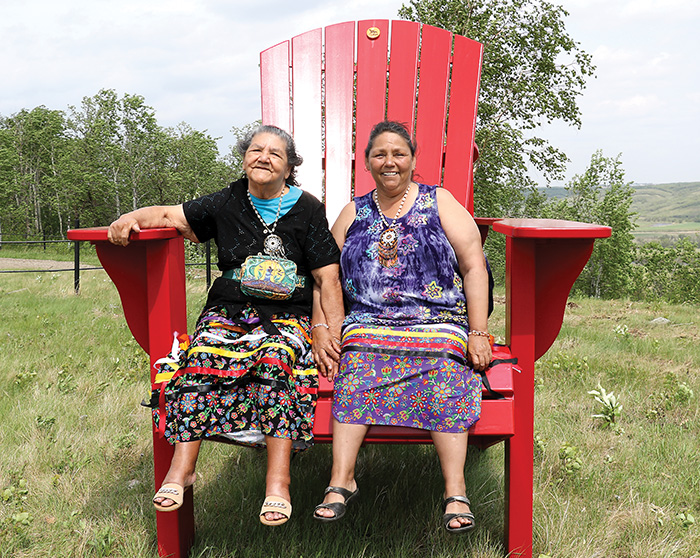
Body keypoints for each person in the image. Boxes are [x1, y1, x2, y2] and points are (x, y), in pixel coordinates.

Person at [108, 125, 343, 526]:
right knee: (201, 355)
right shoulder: (229, 201)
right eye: (256, 150)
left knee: (277, 357)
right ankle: (182, 471)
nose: (263, 157)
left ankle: (278, 481)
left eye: (275, 153)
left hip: (288, 314)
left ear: (289, 167)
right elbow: (168, 215)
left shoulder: (307, 208)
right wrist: (130, 217)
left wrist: (327, 331)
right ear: (244, 157)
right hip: (229, 310)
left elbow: (327, 277)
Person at [311, 121, 492, 533]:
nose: (389, 161)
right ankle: (342, 480)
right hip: (368, 320)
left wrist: (478, 331)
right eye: (380, 154)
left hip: (436, 319)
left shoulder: (440, 201)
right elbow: (325, 276)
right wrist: (322, 324)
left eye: (398, 154)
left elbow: (473, 266)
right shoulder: (353, 212)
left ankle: (455, 488)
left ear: (412, 159)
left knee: (446, 360)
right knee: (354, 359)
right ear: (368, 162)